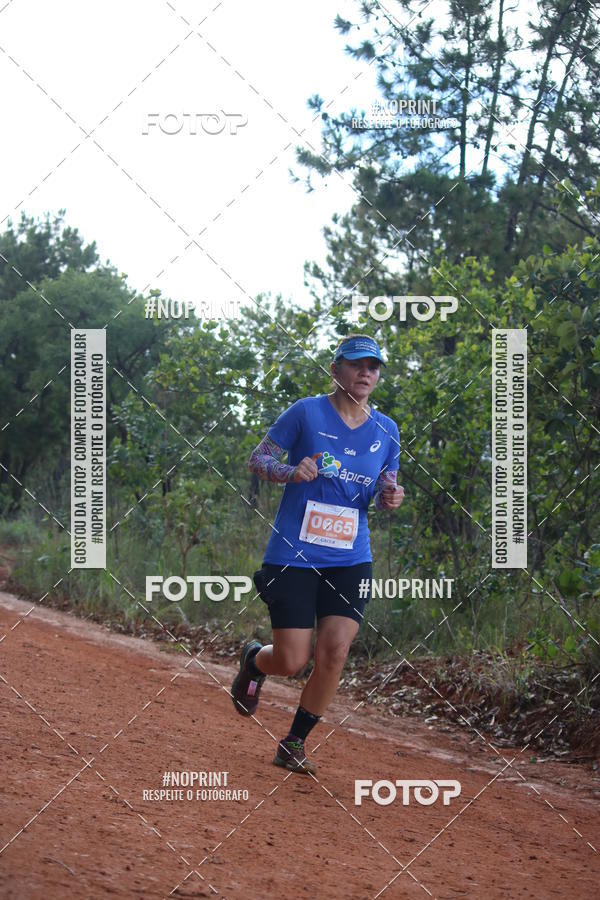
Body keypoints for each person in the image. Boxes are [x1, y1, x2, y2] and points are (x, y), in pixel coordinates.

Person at [231, 333, 405, 775]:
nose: (366, 372)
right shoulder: (306, 412)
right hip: (294, 553)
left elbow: (387, 482)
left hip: (350, 557)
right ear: (336, 369)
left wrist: (390, 496)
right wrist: (291, 471)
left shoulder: (387, 430)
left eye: (374, 366)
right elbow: (258, 458)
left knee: (335, 651)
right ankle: (255, 660)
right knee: (291, 660)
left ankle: (293, 742)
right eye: (356, 364)